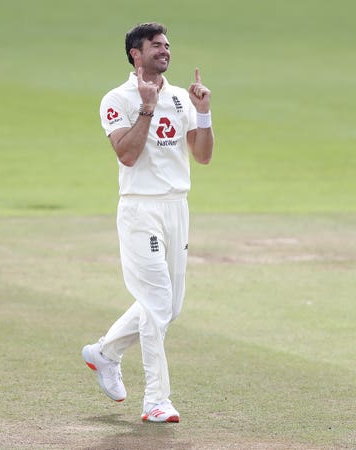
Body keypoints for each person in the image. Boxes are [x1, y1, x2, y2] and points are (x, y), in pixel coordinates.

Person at [82, 22, 214, 423]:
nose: (165, 50)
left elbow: (203, 156)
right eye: (156, 45)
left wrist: (204, 113)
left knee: (169, 307)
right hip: (141, 208)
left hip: (178, 207)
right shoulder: (116, 98)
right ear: (135, 54)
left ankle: (104, 353)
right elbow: (126, 154)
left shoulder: (179, 96)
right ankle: (156, 400)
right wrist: (145, 106)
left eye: (167, 45)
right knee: (156, 304)